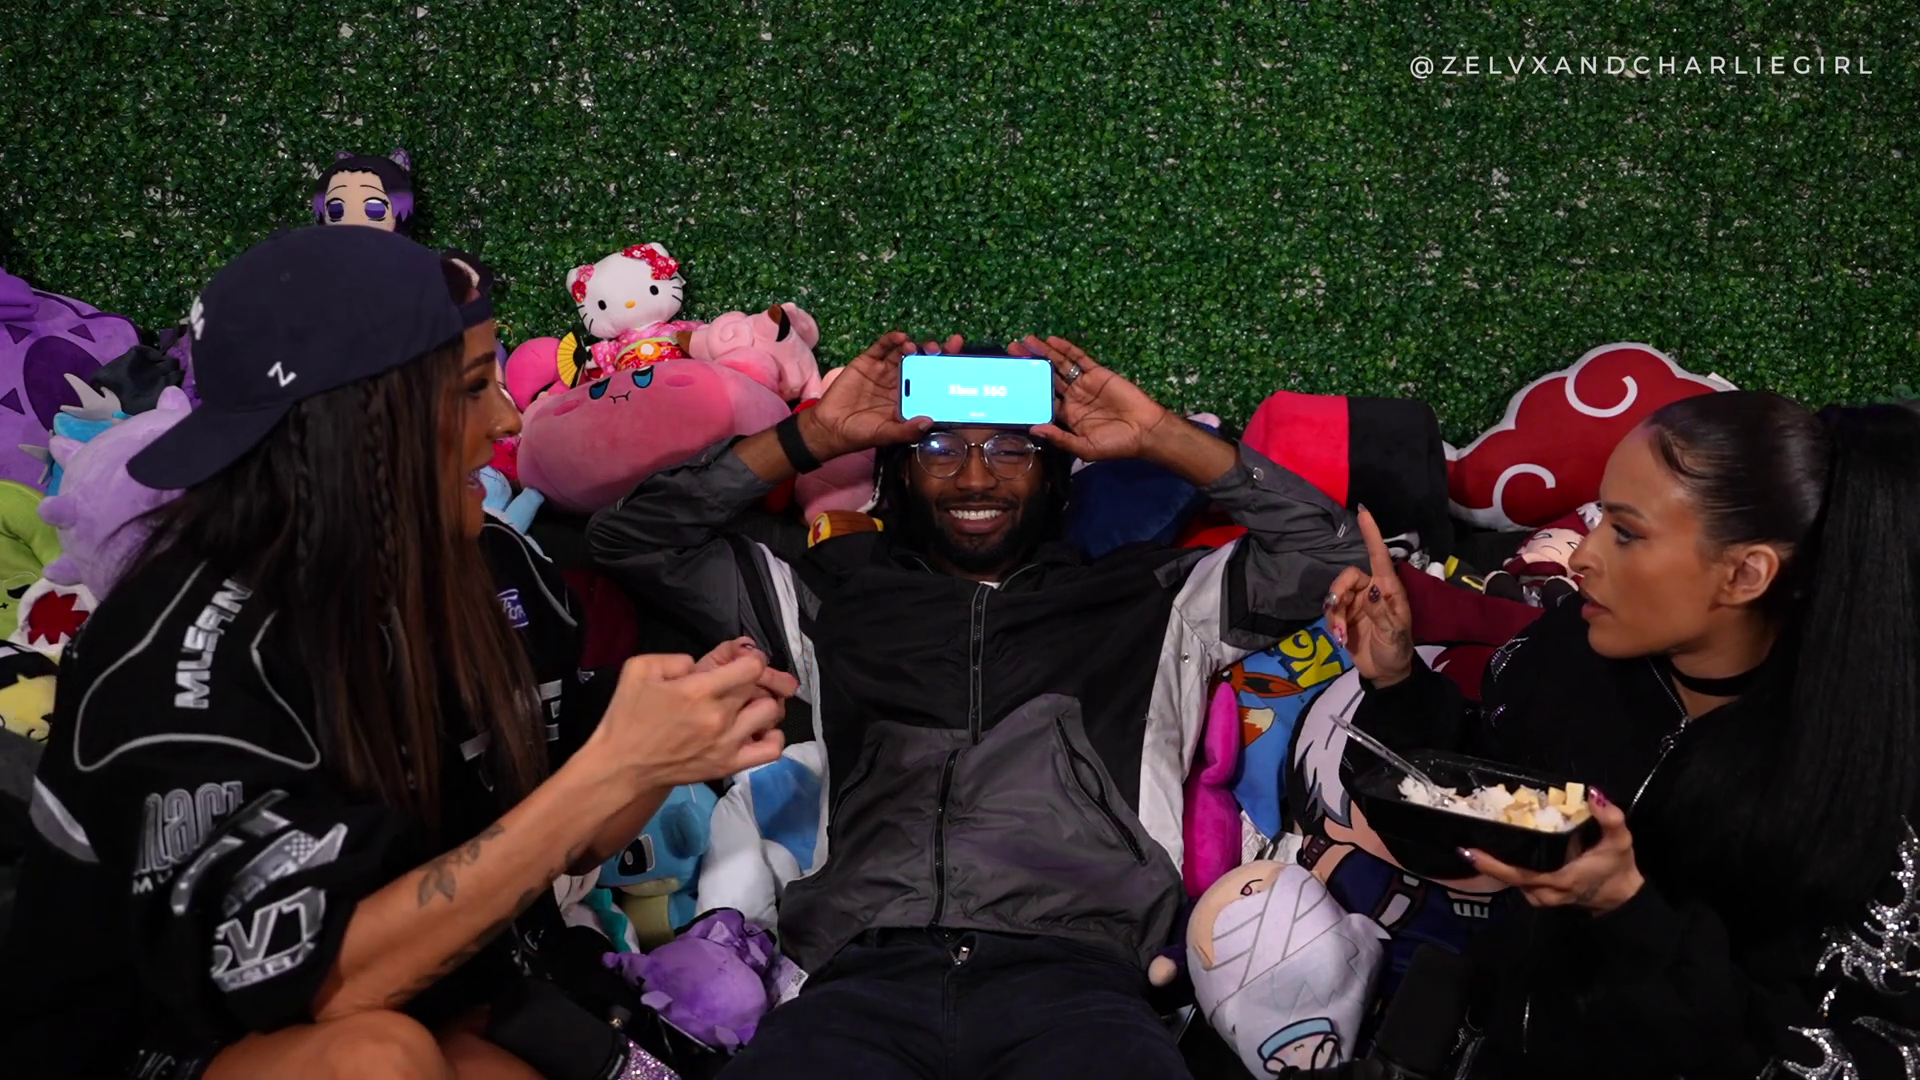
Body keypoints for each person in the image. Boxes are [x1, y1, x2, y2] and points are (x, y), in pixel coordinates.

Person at [0, 227, 795, 1080]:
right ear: (352, 427)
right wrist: (611, 768)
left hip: (434, 991)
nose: (508, 420)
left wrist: (666, 753)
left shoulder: (495, 570)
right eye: (472, 388)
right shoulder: (177, 661)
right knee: (379, 1062)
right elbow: (317, 986)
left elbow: (541, 850)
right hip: (180, 1040)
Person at [589, 332, 1368, 1078]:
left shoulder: (1153, 599)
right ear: (899, 473)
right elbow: (632, 539)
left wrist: (1163, 437)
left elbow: (1332, 555)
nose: (973, 478)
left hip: (1081, 982)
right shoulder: (832, 598)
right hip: (859, 981)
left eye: (1010, 449)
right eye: (939, 448)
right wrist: (811, 436)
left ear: (1056, 473)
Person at [1325, 391, 1920, 1078]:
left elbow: (1830, 1058)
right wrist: (1397, 683)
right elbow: (1465, 830)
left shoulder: (1867, 785)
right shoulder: (1571, 657)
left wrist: (1627, 914)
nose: (1581, 556)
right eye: (1598, 518)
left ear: (1745, 573)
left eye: (1626, 533)